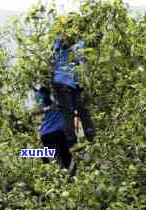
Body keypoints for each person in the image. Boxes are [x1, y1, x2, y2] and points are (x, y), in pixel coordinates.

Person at [51, 14, 96, 148]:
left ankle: (90, 133)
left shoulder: (81, 42)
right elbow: (56, 54)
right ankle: (71, 140)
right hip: (62, 80)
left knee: (81, 107)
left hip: (73, 82)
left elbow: (81, 60)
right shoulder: (63, 38)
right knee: (68, 110)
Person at [32, 86, 73, 169]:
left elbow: (38, 96)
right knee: (66, 157)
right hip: (57, 133)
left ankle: (47, 168)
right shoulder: (57, 104)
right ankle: (66, 171)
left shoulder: (41, 102)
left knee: (52, 155)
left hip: (45, 135)